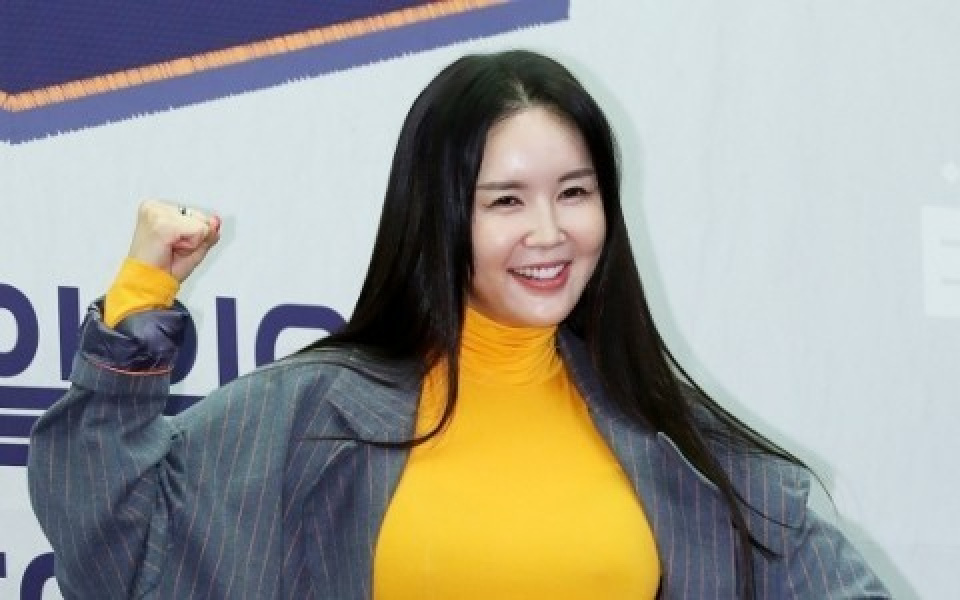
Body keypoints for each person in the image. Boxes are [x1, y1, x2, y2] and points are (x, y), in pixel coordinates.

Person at [28, 50, 889, 599]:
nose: (549, 232)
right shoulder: (309, 415)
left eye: (575, 193)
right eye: (506, 201)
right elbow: (116, 549)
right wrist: (138, 306)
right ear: (440, 213)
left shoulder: (671, 438)